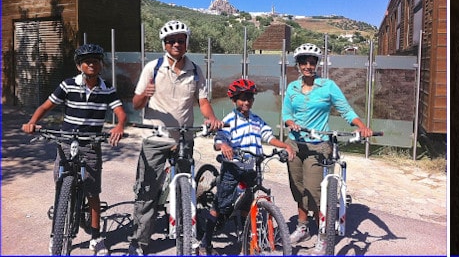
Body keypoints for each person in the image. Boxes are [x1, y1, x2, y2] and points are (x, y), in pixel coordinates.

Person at [127, 20, 223, 255]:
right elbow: (136, 103)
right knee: (147, 191)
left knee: (186, 186)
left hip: (184, 137)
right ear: (165, 44)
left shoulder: (196, 70)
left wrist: (211, 118)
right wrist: (145, 95)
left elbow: (202, 101)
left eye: (181, 40)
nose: (176, 44)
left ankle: (187, 235)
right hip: (156, 137)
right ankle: (139, 242)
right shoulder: (152, 68)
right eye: (172, 41)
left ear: (186, 42)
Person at [21, 44, 127, 256]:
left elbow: (120, 112)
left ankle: (96, 237)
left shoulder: (107, 88)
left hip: (91, 143)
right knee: (61, 186)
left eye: (95, 60)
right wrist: (32, 122)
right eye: (86, 61)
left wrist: (119, 125)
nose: (91, 64)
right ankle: (56, 233)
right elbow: (45, 107)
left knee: (92, 191)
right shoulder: (68, 85)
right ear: (79, 66)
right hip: (67, 142)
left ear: (101, 65)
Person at [281, 43, 373, 254]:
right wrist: (290, 123)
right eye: (304, 62)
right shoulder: (292, 88)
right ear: (298, 65)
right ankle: (303, 227)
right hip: (294, 144)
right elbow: (286, 114)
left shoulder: (328, 86)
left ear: (317, 64)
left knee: (314, 192)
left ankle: (324, 234)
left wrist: (362, 127)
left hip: (318, 145)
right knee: (298, 187)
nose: (308, 66)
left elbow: (346, 110)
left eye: (312, 62)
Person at [195, 78, 296, 255]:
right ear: (234, 100)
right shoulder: (229, 119)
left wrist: (284, 146)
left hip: (252, 167)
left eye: (249, 98)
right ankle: (205, 242)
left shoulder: (257, 120)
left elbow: (267, 136)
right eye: (242, 98)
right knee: (221, 205)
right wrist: (224, 146)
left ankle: (245, 237)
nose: (246, 102)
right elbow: (220, 139)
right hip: (232, 168)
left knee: (247, 202)